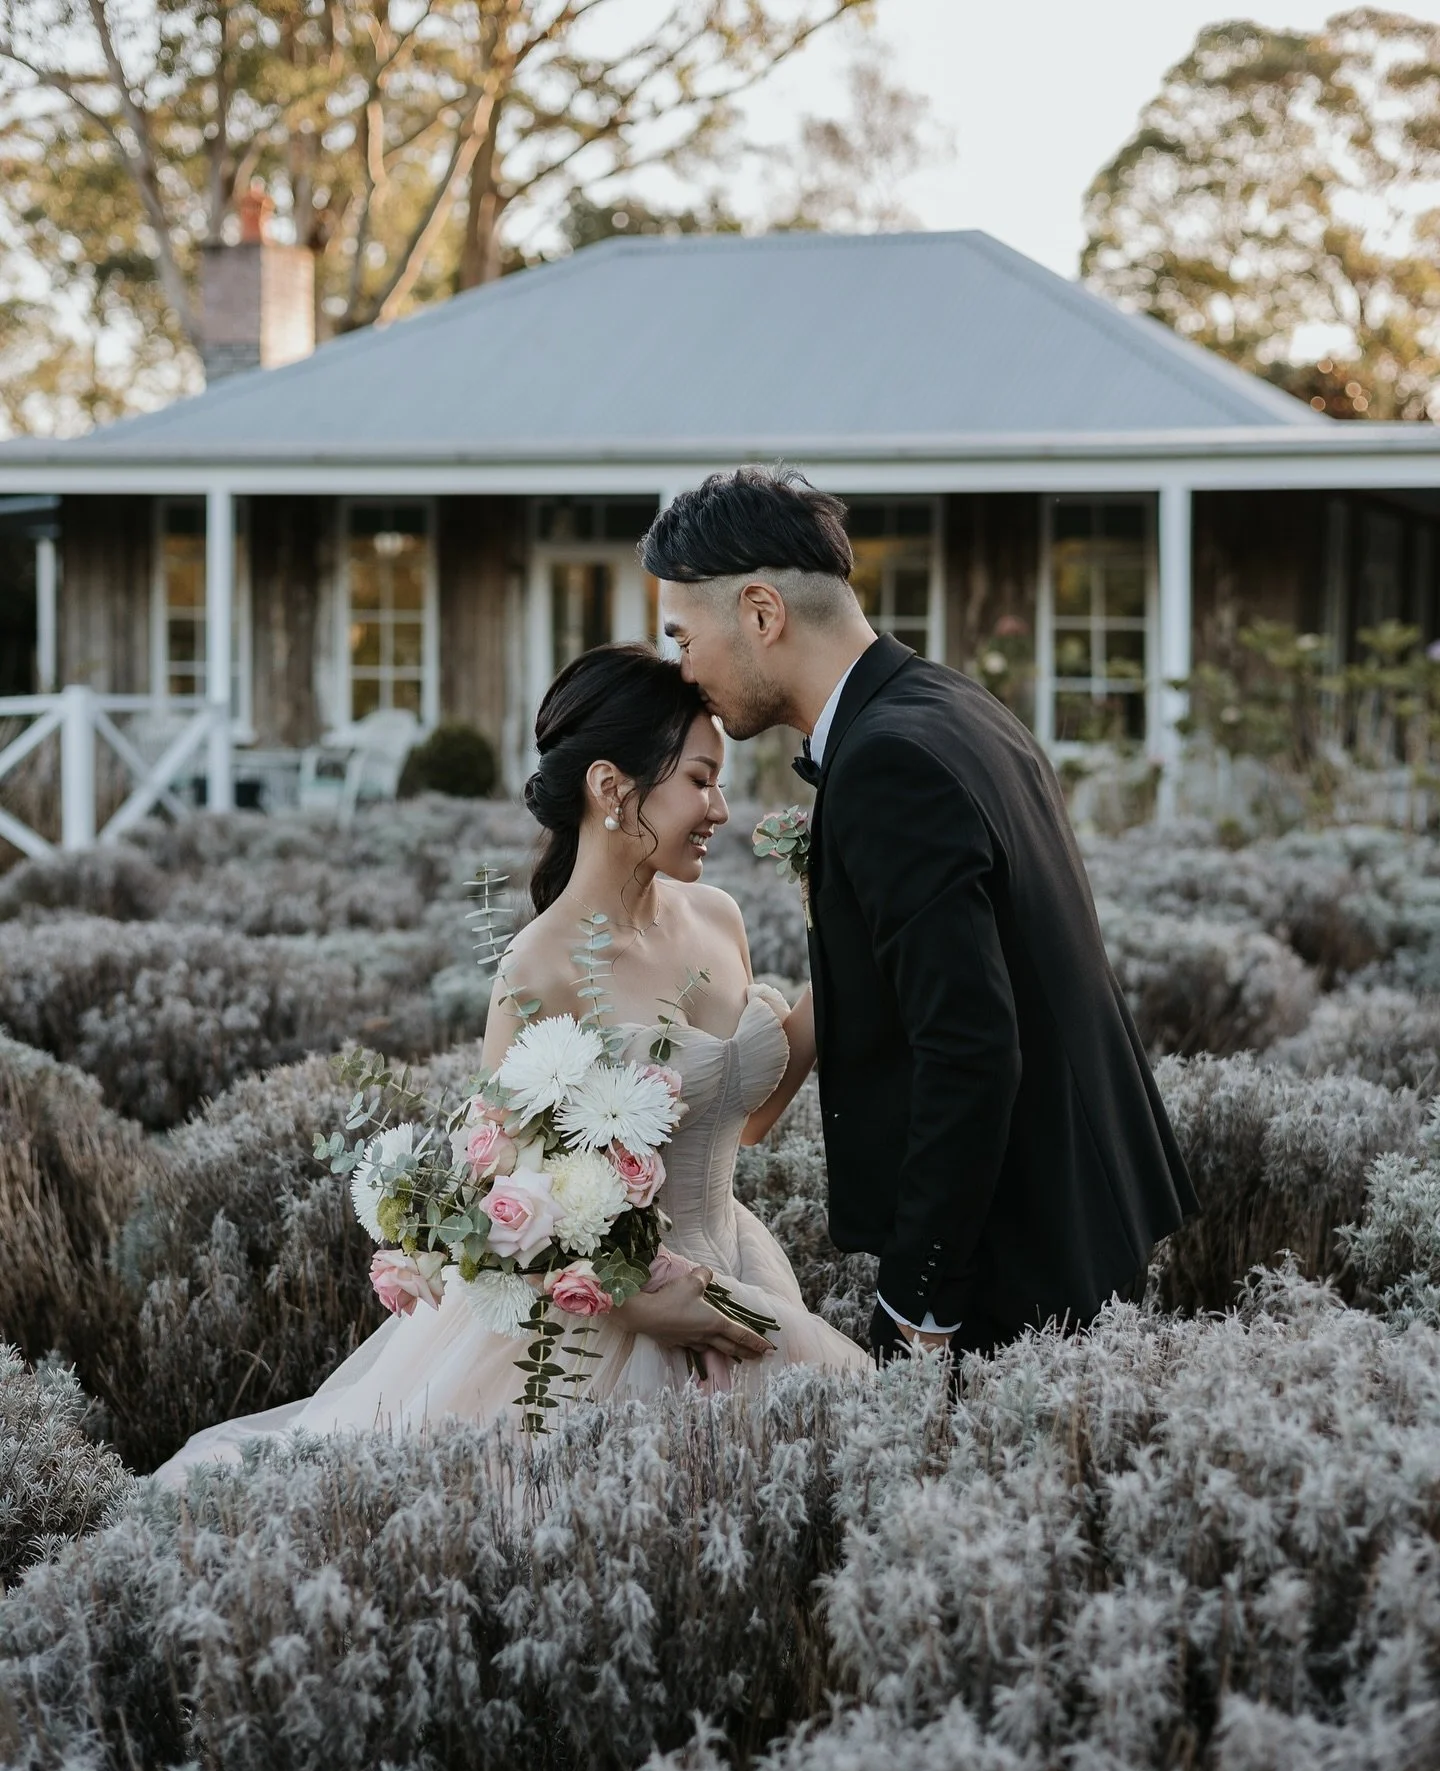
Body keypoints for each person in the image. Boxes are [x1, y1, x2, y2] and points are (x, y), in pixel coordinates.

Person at [154, 644, 869, 1485]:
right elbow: (507, 1202)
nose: (720, 807)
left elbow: (748, 1119)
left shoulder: (719, 915)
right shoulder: (537, 970)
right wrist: (649, 1305)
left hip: (740, 1270)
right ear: (612, 788)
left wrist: (843, 949)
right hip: (599, 1326)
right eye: (700, 780)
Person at [641, 466, 1198, 1365]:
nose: (684, 669)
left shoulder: (887, 761)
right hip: (1080, 1204)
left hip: (1016, 1258)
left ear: (759, 612)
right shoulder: (952, 703)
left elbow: (970, 1045)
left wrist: (922, 1295)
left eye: (682, 635)